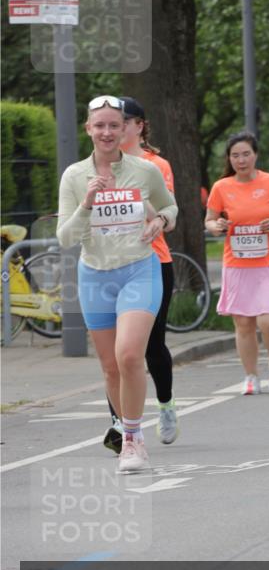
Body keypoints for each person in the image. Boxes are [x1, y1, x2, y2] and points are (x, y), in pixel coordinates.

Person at [56, 96, 178, 473]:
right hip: (95, 275)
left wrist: (160, 221)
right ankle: (127, 430)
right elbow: (65, 237)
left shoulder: (145, 171)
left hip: (139, 270)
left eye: (115, 125)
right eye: (100, 126)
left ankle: (133, 439)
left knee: (129, 355)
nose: (108, 132)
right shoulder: (74, 176)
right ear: (88, 129)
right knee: (110, 367)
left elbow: (170, 207)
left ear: (126, 129)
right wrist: (88, 203)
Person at [104, 96, 178, 448]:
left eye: (122, 121)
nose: (115, 129)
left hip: (153, 264)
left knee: (151, 346)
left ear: (138, 126)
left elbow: (165, 212)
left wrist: (153, 218)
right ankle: (121, 424)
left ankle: (165, 403)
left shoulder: (155, 165)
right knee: (116, 353)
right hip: (109, 266)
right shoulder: (97, 165)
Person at [205, 132, 269, 394]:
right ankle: (250, 376)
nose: (241, 160)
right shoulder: (222, 187)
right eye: (235, 155)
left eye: (246, 154)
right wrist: (217, 226)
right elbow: (209, 220)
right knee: (243, 323)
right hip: (238, 264)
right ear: (229, 159)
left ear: (255, 155)